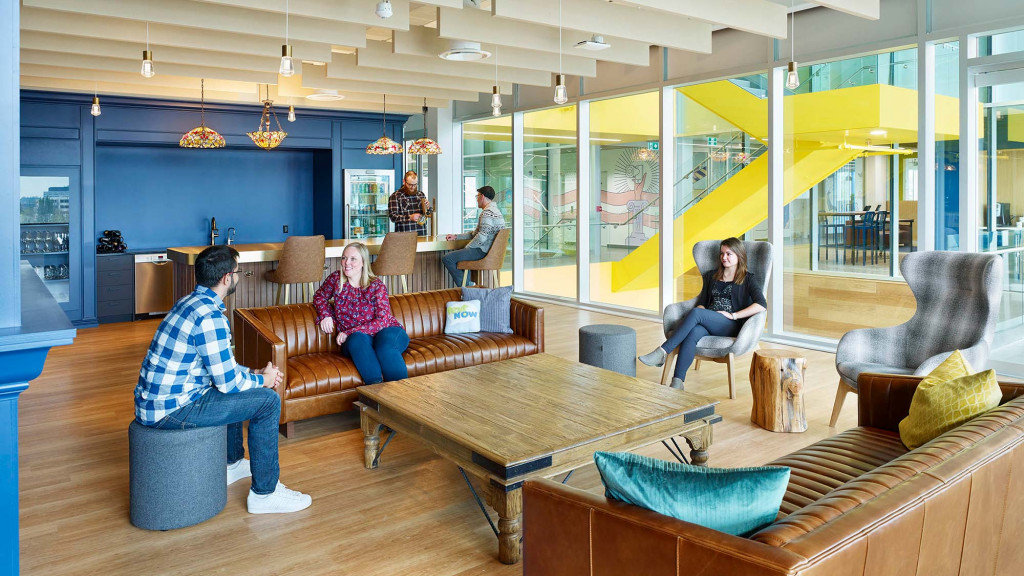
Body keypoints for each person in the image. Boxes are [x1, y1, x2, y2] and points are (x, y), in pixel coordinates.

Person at [134, 245, 312, 514]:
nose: (237, 277)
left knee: (241, 390)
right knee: (267, 402)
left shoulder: (189, 302)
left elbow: (221, 371)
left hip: (159, 402)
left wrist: (254, 374)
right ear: (227, 278)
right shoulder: (210, 317)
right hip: (171, 410)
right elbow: (229, 384)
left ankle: (232, 463)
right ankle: (265, 494)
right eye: (237, 273)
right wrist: (265, 382)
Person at [638, 238, 766, 390]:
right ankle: (677, 382)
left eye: (728, 254)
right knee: (692, 333)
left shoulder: (747, 279)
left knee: (697, 314)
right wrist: (700, 314)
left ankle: (662, 351)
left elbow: (761, 305)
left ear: (739, 256)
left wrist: (734, 315)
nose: (724, 257)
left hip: (730, 324)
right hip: (708, 320)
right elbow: (702, 303)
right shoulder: (711, 276)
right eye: (722, 253)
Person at [313, 243, 410, 384]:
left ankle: (403, 397)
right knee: (356, 339)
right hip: (357, 340)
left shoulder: (376, 286)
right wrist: (326, 314)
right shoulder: (336, 279)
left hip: (387, 331)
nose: (347, 263)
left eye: (353, 259)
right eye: (344, 258)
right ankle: (377, 396)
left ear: (363, 262)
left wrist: (348, 332)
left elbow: (382, 320)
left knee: (384, 348)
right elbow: (319, 296)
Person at [442, 185, 506, 287]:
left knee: (447, 258)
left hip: (482, 251)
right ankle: (468, 286)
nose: (476, 199)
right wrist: (456, 236)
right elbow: (475, 234)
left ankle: (467, 286)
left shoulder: (487, 213)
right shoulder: (497, 212)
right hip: (491, 252)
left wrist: (467, 247)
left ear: (482, 196)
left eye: (477, 196)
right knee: (463, 256)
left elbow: (481, 237)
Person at [388, 170, 433, 236]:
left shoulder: (421, 195)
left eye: (415, 185)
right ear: (404, 182)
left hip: (421, 234)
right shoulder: (395, 196)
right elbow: (393, 217)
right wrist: (410, 217)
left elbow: (428, 214)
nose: (412, 187)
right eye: (410, 185)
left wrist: (428, 208)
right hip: (404, 237)